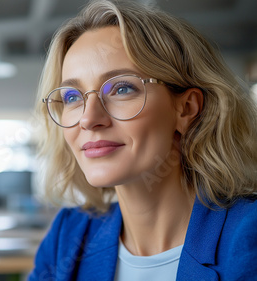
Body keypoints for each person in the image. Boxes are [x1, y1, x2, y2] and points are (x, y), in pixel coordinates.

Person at [28, 0, 257, 280]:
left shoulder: (248, 236)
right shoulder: (69, 235)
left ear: (186, 108)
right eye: (72, 97)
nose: (88, 119)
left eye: (122, 88)